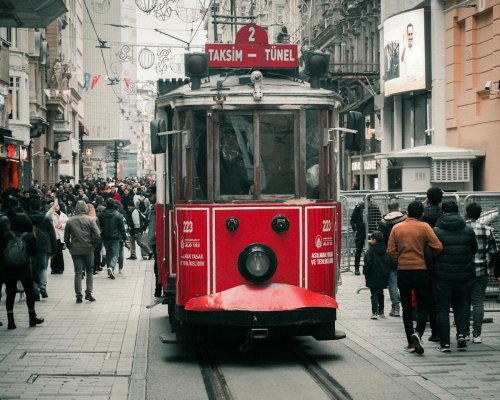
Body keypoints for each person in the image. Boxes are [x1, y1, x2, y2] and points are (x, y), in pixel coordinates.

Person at [387, 200, 443, 355]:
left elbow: (390, 251)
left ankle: (410, 343)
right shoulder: (424, 227)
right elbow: (438, 246)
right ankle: (418, 332)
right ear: (422, 214)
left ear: (407, 212)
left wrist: (400, 259)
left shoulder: (397, 228)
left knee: (406, 307)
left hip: (403, 270)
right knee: (422, 304)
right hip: (421, 270)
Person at [432, 201, 478, 353]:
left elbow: (431, 253)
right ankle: (461, 334)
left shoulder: (436, 231)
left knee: (443, 309)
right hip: (463, 275)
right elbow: (474, 249)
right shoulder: (468, 230)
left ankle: (445, 343)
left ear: (443, 212)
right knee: (460, 306)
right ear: (458, 212)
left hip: (442, 277)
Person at [1, 201, 44, 329]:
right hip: (25, 269)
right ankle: (32, 318)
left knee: (10, 294)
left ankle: (11, 321)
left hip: (9, 269)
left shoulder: (7, 235)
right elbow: (34, 253)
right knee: (29, 293)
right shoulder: (29, 237)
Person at [464, 202, 498, 344]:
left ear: (466, 213)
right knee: (478, 303)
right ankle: (477, 335)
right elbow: (493, 252)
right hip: (481, 271)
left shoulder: (462, 229)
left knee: (464, 303)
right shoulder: (487, 230)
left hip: (464, 271)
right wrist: (491, 267)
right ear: (479, 214)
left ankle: (464, 333)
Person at [64, 201, 100, 303]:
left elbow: (66, 238)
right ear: (85, 209)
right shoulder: (90, 220)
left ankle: (78, 296)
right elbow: (97, 235)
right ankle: (88, 293)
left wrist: (70, 248)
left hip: (76, 250)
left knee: (78, 272)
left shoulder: (70, 221)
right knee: (89, 271)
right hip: (88, 249)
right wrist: (93, 245)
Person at [420, 186, 443, 342]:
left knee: (427, 299)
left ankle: (432, 330)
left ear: (427, 198)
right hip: (442, 261)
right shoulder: (443, 217)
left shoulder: (422, 219)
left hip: (424, 262)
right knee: (441, 299)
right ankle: (440, 331)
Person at [377, 201, 407, 317]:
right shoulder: (405, 220)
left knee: (392, 282)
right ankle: (409, 307)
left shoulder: (383, 223)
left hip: (390, 256)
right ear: (399, 209)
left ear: (388, 210)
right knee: (406, 283)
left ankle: (396, 308)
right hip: (405, 254)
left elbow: (380, 240)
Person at [28, 198, 57, 300]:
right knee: (43, 268)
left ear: (31, 207)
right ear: (40, 207)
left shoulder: (28, 219)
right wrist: (54, 250)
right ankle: (43, 287)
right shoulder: (46, 219)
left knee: (32, 269)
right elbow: (52, 235)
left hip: (30, 245)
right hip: (44, 246)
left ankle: (35, 290)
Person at [350, 195, 382, 275]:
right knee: (359, 249)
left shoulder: (375, 208)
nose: (369, 203)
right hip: (360, 231)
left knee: (373, 249)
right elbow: (352, 219)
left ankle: (373, 267)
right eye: (368, 201)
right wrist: (355, 230)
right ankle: (357, 268)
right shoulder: (359, 207)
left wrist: (377, 231)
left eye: (370, 201)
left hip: (371, 231)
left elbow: (379, 219)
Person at [363, 230, 391, 320]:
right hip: (383, 274)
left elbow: (368, 262)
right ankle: (381, 311)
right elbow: (388, 262)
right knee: (381, 293)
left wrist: (365, 271)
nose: (370, 240)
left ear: (374, 240)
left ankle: (374, 312)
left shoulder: (371, 250)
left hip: (372, 274)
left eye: (371, 239)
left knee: (374, 293)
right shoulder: (385, 250)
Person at [98, 198, 127, 280]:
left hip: (105, 237)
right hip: (115, 237)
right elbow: (122, 229)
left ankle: (109, 270)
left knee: (108, 254)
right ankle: (111, 267)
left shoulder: (101, 215)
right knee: (115, 254)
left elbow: (100, 226)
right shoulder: (118, 215)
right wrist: (125, 239)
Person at [145, 185, 162, 297]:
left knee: (158, 267)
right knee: (157, 267)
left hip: (158, 241)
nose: (149, 198)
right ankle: (158, 290)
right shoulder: (152, 207)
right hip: (154, 241)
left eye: (150, 196)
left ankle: (158, 290)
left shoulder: (158, 208)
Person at [46, 202, 68, 274]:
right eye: (55, 206)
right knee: (53, 253)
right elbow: (46, 216)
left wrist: (62, 225)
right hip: (54, 236)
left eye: (57, 206)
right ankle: (53, 268)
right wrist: (51, 208)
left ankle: (60, 268)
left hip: (60, 236)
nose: (56, 207)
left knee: (59, 253)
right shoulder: (51, 214)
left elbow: (68, 223)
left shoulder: (64, 215)